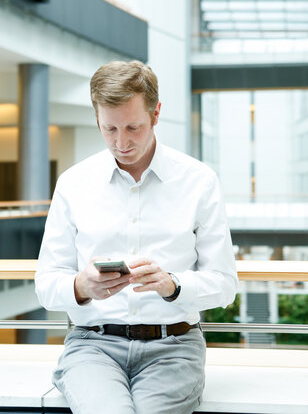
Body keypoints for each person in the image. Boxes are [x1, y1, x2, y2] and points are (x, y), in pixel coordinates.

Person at [35, 60, 238, 414]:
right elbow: (46, 283)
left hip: (174, 348)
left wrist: (173, 285)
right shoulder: (73, 183)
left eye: (133, 127)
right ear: (97, 117)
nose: (122, 142)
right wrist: (82, 286)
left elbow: (224, 284)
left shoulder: (199, 181)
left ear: (156, 114)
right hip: (91, 347)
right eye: (109, 128)